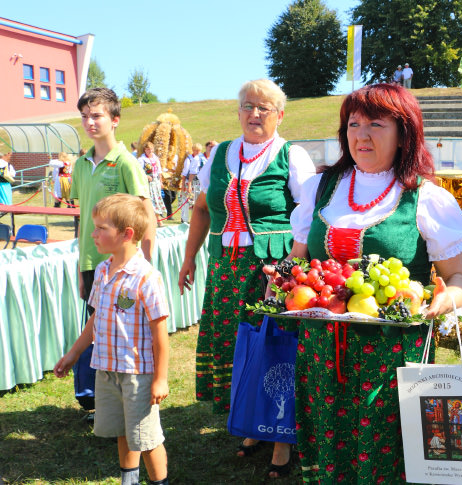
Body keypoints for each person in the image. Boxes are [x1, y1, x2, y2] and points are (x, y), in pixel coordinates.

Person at [285, 83, 462, 483]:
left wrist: (441, 303)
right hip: (321, 350)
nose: (361, 135)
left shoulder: (426, 198)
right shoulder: (320, 189)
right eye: (353, 123)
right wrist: (281, 278)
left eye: (376, 124)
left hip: (392, 354)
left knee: (388, 447)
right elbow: (298, 260)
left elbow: (458, 277)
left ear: (405, 133)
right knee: (329, 442)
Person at [177, 78, 315, 478]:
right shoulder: (220, 153)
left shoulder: (292, 156)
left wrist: (288, 273)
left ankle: (281, 443)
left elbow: (308, 222)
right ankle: (253, 426)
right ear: (238, 111)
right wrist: (189, 257)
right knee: (236, 347)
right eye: (247, 106)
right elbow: (202, 209)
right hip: (225, 270)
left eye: (264, 108)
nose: (254, 114)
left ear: (280, 115)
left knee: (273, 349)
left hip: (274, 271)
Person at [54, 193, 170, 485]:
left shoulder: (146, 277)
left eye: (100, 228)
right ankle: (128, 481)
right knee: (123, 431)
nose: (92, 234)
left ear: (126, 234)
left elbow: (160, 335)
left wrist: (160, 378)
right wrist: (72, 355)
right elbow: (95, 320)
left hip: (137, 375)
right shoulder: (104, 271)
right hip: (107, 371)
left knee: (146, 438)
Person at [70, 87, 156, 414]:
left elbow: (146, 215)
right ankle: (92, 398)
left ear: (114, 120)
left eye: (97, 115)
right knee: (96, 326)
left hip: (124, 265)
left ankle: (119, 397)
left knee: (119, 329)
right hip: (93, 265)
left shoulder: (126, 163)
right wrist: (81, 267)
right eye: (84, 116)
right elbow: (85, 217)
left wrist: (147, 265)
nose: (89, 122)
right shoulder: (80, 165)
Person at [137, 142, 166, 226]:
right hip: (147, 183)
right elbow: (139, 171)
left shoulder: (155, 158)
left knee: (157, 199)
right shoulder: (141, 160)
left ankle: (157, 219)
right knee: (151, 200)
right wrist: (146, 176)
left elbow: (159, 171)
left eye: (151, 149)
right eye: (148, 149)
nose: (150, 151)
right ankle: (157, 220)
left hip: (155, 182)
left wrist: (160, 181)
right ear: (145, 150)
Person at [179, 143, 204, 224]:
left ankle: (195, 219)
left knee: (197, 201)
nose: (197, 152)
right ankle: (184, 219)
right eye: (195, 150)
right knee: (186, 201)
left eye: (199, 151)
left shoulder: (201, 159)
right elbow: (184, 173)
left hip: (198, 183)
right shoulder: (189, 159)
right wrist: (183, 185)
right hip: (188, 182)